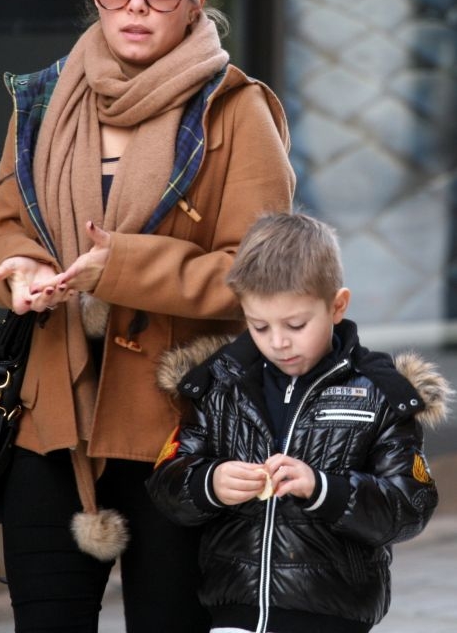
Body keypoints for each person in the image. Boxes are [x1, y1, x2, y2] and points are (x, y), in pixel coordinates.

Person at [0, 0, 295, 633]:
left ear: (194, 1)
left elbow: (262, 275)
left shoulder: (235, 110)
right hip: (52, 421)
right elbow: (0, 229)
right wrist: (18, 270)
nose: (137, 5)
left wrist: (118, 268)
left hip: (182, 433)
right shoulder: (43, 99)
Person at [147, 212, 451, 633]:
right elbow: (165, 486)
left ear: (337, 306)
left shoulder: (381, 392)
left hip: (333, 615)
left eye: (296, 324)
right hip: (234, 611)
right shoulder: (218, 385)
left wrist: (323, 488)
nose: (278, 342)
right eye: (259, 326)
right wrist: (209, 483)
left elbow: (410, 507)